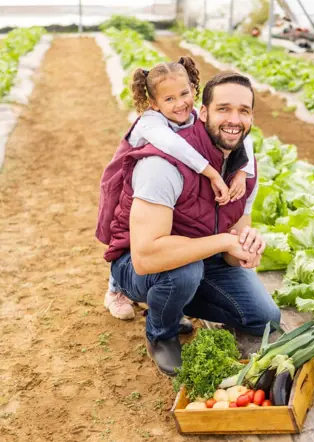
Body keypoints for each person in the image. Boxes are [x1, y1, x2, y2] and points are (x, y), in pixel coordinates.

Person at [96, 71, 281, 376]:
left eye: (243, 111)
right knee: (183, 272)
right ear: (203, 112)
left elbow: (231, 251)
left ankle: (174, 301)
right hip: (138, 263)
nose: (233, 119)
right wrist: (223, 241)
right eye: (224, 109)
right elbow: (145, 258)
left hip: (200, 256)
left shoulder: (246, 170)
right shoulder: (162, 165)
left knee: (264, 318)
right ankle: (161, 332)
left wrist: (245, 247)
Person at [101, 57, 255, 321]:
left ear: (194, 89)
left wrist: (242, 171)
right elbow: (176, 147)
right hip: (129, 179)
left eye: (184, 94)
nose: (180, 103)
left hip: (167, 196)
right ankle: (117, 287)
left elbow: (244, 138)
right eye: (169, 99)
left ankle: (173, 295)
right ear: (153, 104)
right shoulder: (149, 123)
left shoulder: (196, 116)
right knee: (126, 227)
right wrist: (212, 173)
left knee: (175, 243)